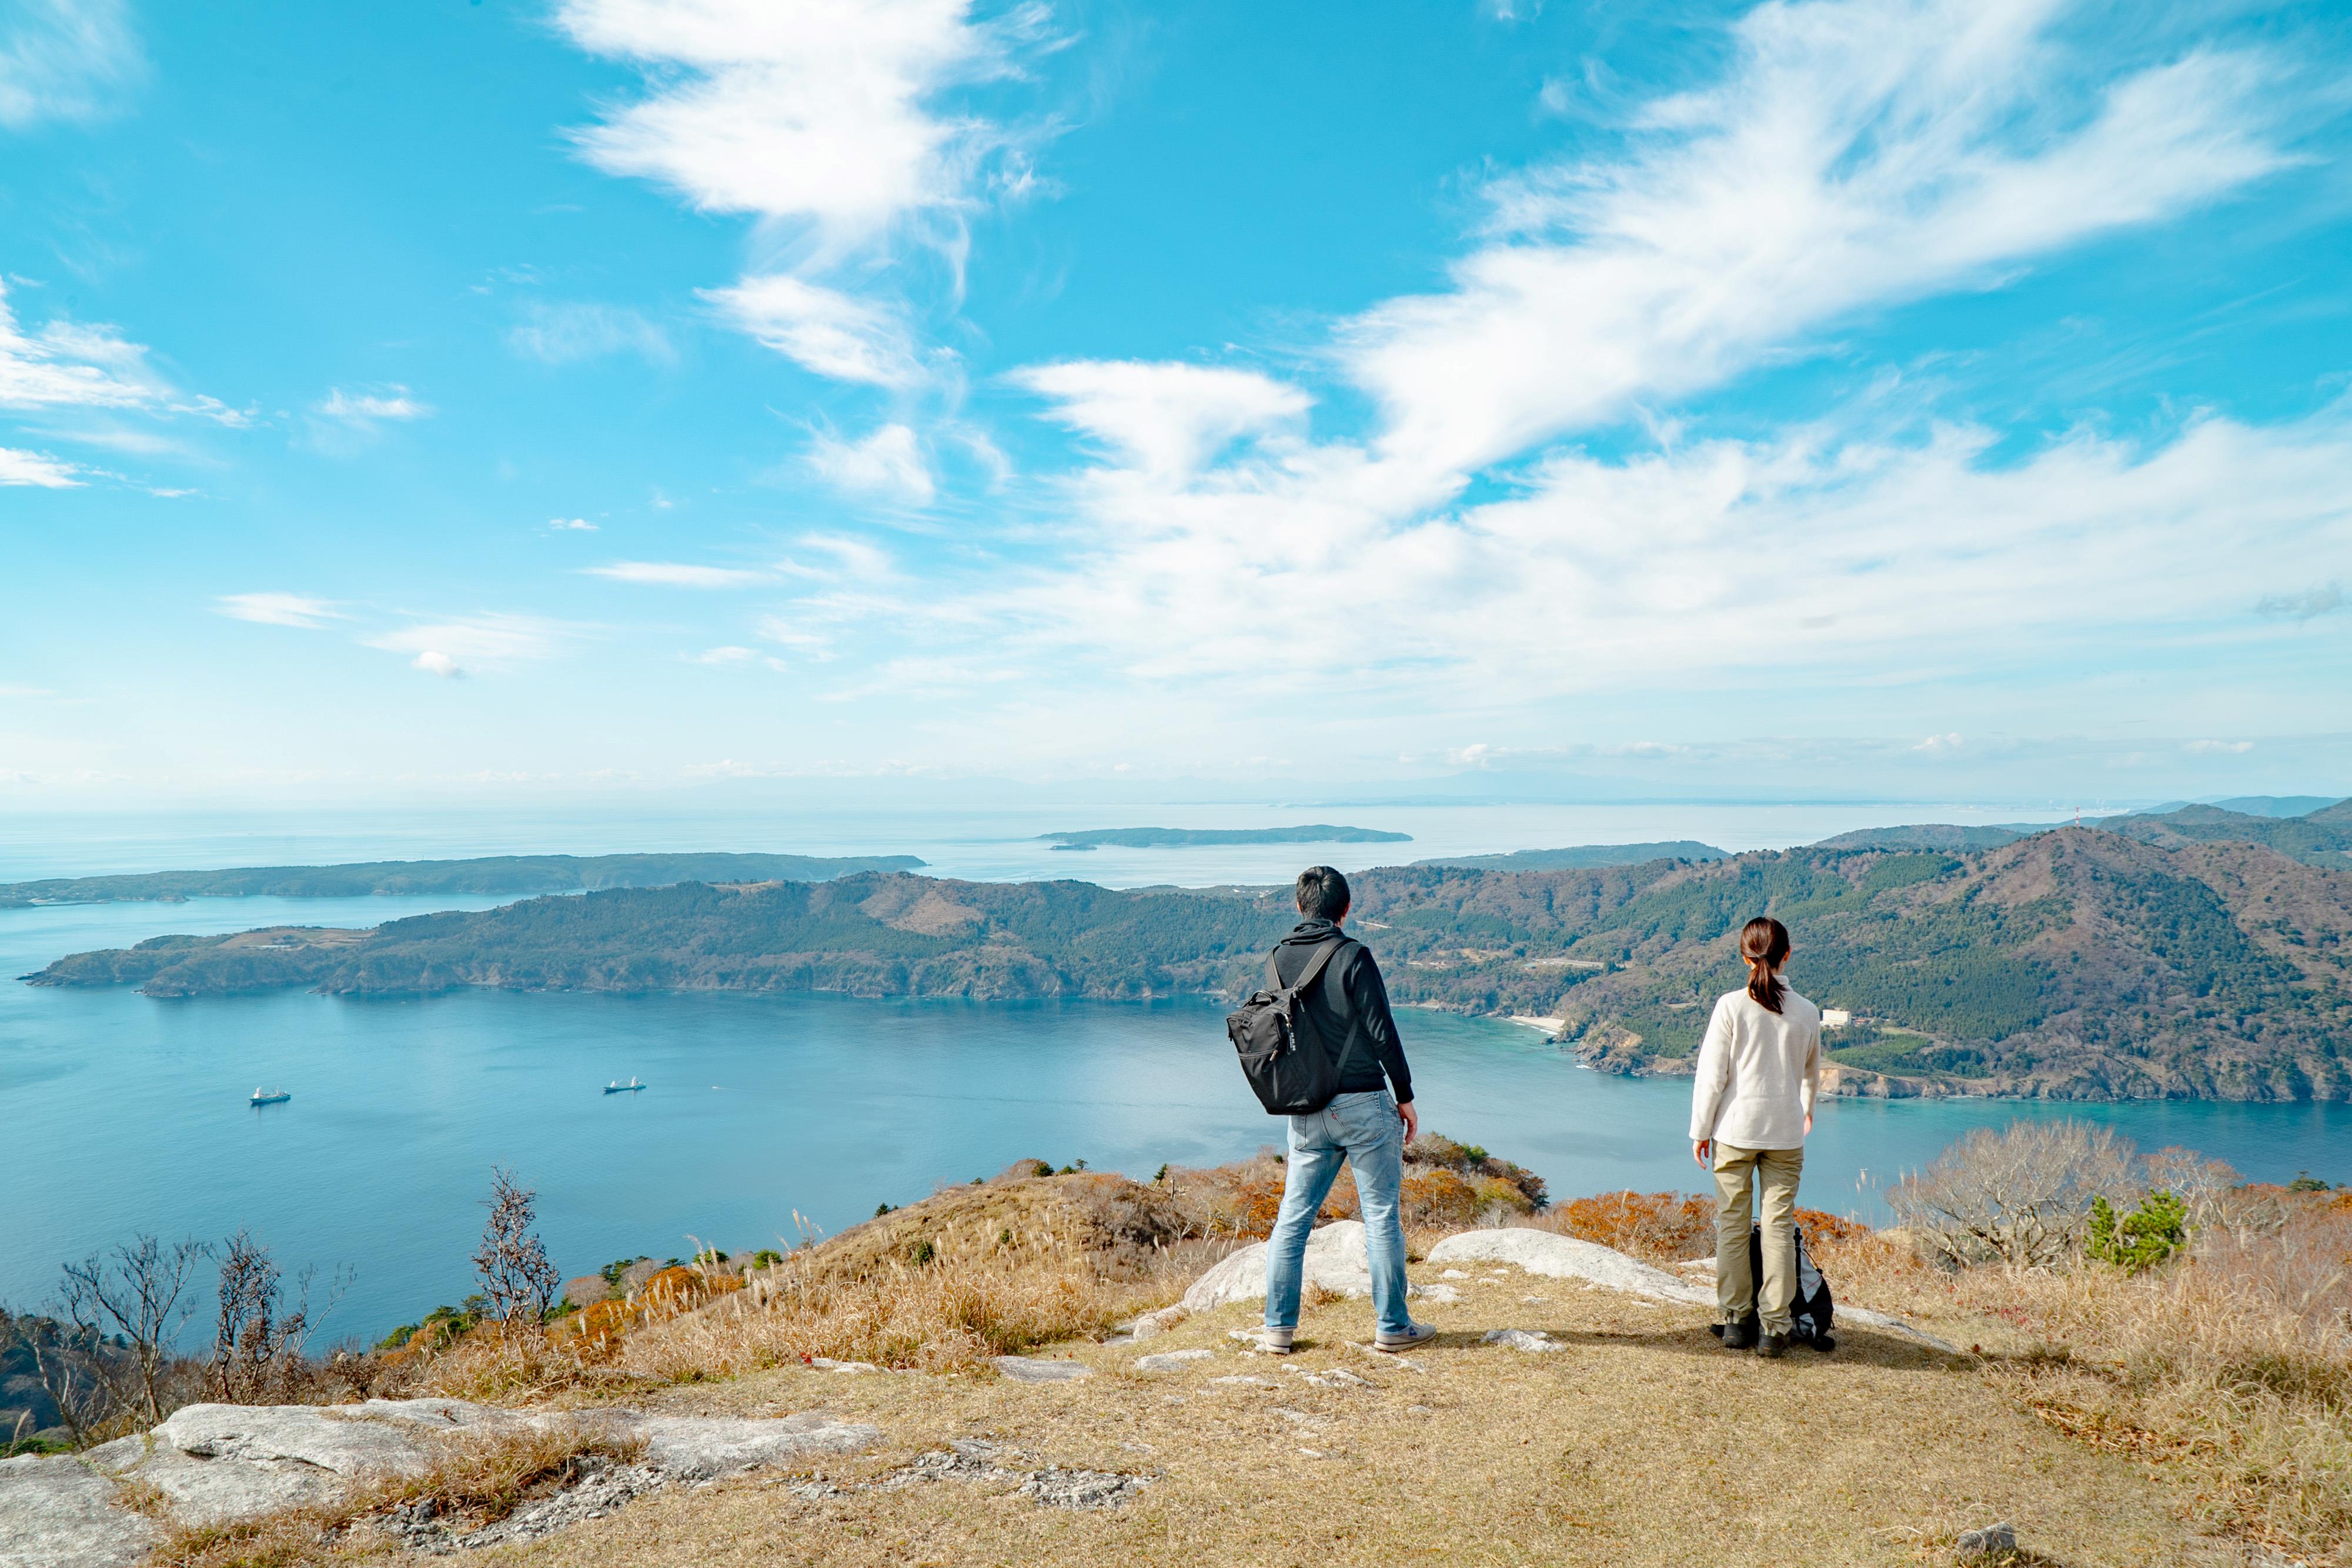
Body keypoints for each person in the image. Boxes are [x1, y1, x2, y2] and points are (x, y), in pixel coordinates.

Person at [1257, 865, 1432, 1354]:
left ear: (1299, 906)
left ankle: (1277, 1329)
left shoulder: (1276, 960)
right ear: (1346, 908)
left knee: (1293, 1219)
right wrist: (1405, 1095)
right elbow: (1382, 1030)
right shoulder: (1354, 955)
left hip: (1307, 1107)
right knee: (1380, 1215)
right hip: (1363, 1103)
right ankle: (1393, 1327)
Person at [1689, 915, 1822, 1358]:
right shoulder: (1807, 1010)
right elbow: (1810, 1073)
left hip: (1735, 1129)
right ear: (1787, 955)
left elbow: (1712, 1076)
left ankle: (1735, 1321)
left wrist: (1700, 1129)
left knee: (1732, 1222)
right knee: (1778, 1227)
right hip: (1785, 1132)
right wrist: (1805, 1113)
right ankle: (1774, 1327)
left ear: (1744, 957)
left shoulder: (1731, 1005)